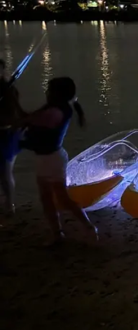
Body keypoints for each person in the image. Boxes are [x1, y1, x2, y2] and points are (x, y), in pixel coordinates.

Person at [20, 77, 97, 244]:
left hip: (53, 160)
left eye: (50, 90)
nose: (47, 93)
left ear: (58, 93)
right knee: (45, 198)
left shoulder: (56, 112)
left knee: (63, 199)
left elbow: (29, 120)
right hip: (43, 158)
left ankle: (89, 228)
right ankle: (57, 234)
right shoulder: (53, 108)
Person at [0, 59, 25, 215]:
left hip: (6, 134)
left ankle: (10, 205)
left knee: (5, 171)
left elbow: (15, 114)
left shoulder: (9, 90)